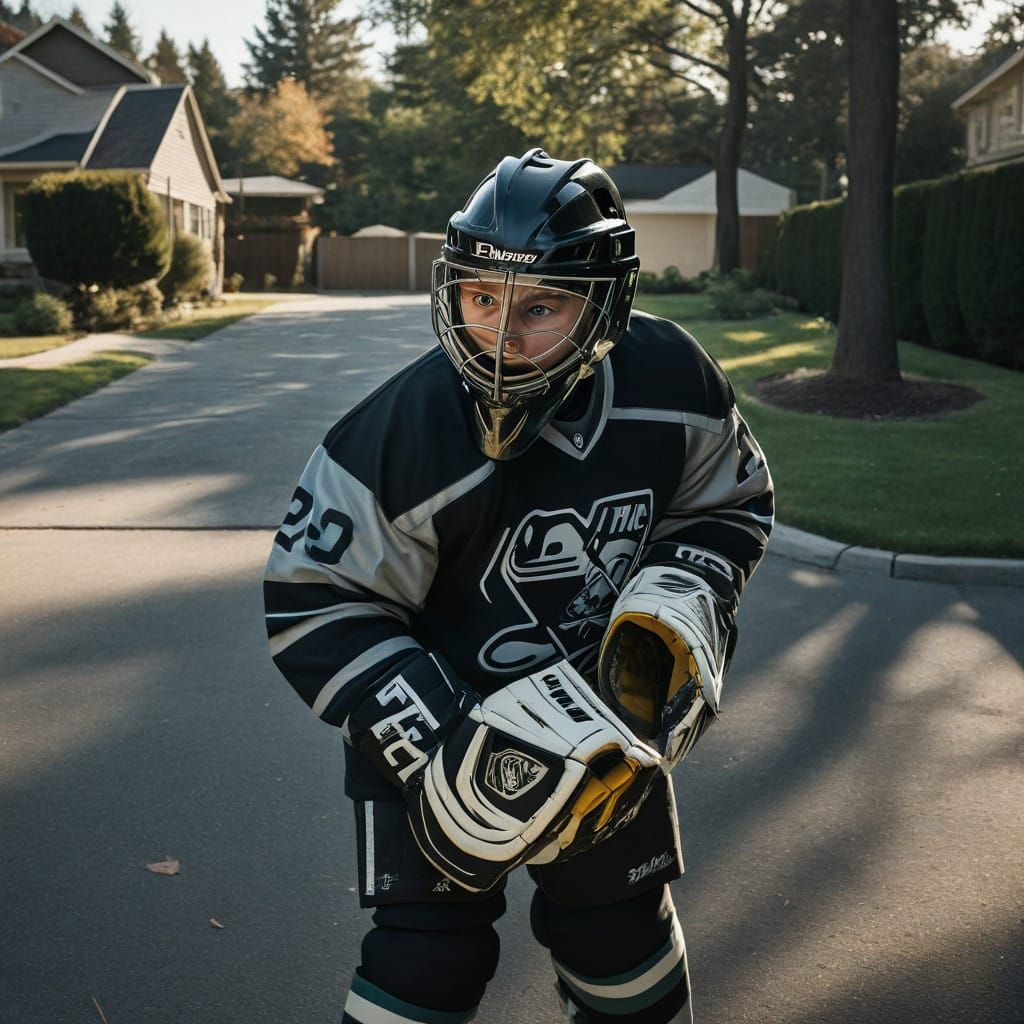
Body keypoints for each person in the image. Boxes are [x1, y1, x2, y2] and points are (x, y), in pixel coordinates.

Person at [264, 148, 773, 1023]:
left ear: (606, 301)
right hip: (433, 736)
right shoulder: (396, 433)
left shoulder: (674, 379)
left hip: (603, 733)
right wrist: (443, 742)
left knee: (621, 940)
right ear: (451, 288)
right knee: (429, 960)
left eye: (542, 306)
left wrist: (684, 598)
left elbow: (727, 505)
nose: (501, 336)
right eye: (482, 298)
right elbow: (315, 598)